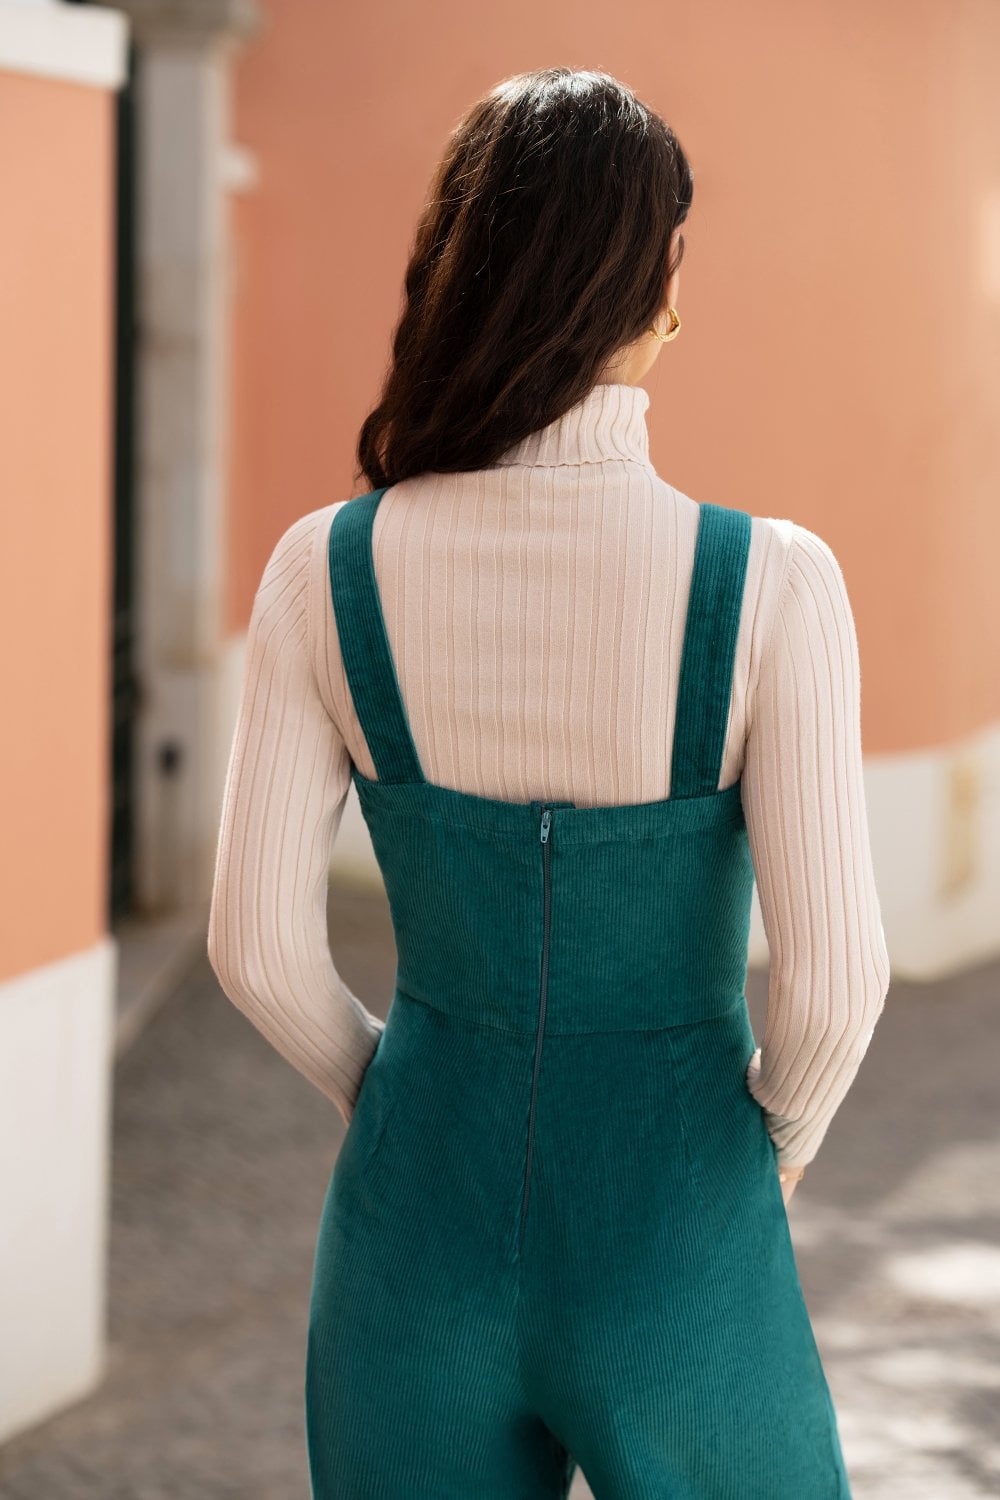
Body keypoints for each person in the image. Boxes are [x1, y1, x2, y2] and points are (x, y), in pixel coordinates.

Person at [208, 65, 890, 1500]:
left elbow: (256, 950)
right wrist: (761, 1163)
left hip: (415, 1226)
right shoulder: (772, 583)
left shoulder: (323, 570)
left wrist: (398, 1100)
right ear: (656, 288)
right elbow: (831, 992)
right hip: (680, 1229)